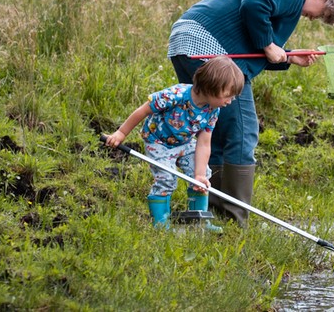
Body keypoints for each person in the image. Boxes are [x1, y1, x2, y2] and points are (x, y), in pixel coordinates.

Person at [167, 0, 334, 226]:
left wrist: (288, 57)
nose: (312, 19)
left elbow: (248, 34)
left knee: (212, 128)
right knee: (243, 132)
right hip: (209, 47)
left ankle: (208, 213)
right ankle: (234, 220)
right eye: (320, 14)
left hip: (186, 42)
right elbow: (255, 5)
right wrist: (268, 44)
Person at [104, 56, 244, 232]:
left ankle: (198, 220)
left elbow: (203, 143)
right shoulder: (176, 95)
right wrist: (121, 133)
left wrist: (198, 175)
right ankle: (161, 224)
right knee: (166, 178)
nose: (230, 101)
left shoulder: (212, 110)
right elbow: (144, 109)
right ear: (210, 87)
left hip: (184, 143)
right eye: (227, 96)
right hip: (158, 142)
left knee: (203, 176)